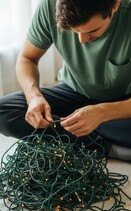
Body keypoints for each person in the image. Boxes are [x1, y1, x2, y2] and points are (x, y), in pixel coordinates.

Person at [0, 0, 131, 160]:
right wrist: (34, 97)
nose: (81, 40)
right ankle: (105, 146)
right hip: (73, 92)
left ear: (115, 5)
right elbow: (27, 58)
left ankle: (87, 135)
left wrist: (103, 112)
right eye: (73, 30)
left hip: (124, 103)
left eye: (93, 31)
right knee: (4, 111)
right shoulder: (49, 5)